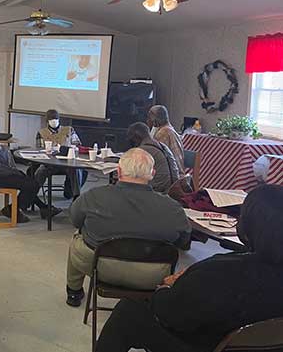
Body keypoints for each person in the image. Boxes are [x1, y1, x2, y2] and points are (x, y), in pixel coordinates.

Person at [96, 184, 283, 352]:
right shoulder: (225, 270)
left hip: (206, 342)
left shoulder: (221, 274)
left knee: (129, 312)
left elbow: (170, 315)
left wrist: (167, 289)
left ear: (249, 226)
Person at [65, 148, 190, 307]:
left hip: (101, 267)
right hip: (153, 274)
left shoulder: (93, 196)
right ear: (152, 173)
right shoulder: (173, 208)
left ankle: (74, 292)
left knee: (78, 236)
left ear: (118, 171)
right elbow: (184, 241)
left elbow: (75, 220)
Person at [0, 114, 60, 223]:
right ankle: (12, 209)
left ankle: (43, 208)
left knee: (26, 180)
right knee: (31, 184)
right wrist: (13, 171)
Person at [35, 109, 87, 199]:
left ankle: (76, 195)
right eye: (51, 119)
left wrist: (71, 148)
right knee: (40, 172)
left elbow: (78, 146)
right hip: (50, 163)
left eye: (56, 119)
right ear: (47, 121)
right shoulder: (41, 133)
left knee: (77, 170)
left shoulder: (69, 130)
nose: (54, 121)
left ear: (59, 119)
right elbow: (39, 150)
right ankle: (32, 193)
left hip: (68, 163)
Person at [127, 122, 180, 193]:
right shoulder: (162, 146)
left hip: (160, 191)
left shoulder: (143, 150)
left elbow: (130, 171)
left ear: (136, 138)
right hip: (173, 188)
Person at [148, 105, 184, 170]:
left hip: (173, 174)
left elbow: (155, 158)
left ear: (155, 119)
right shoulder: (169, 129)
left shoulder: (163, 133)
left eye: (150, 117)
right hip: (175, 171)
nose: (148, 120)